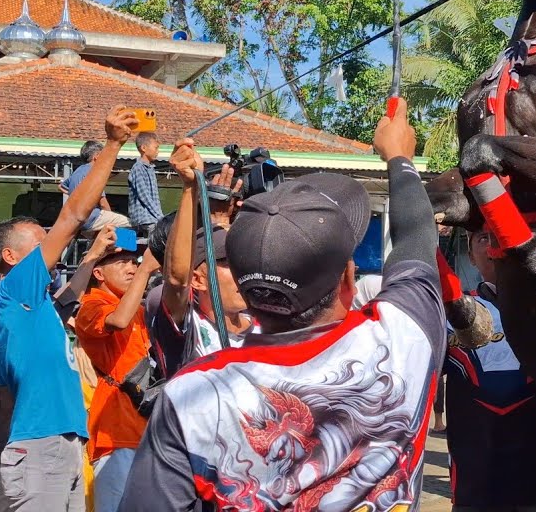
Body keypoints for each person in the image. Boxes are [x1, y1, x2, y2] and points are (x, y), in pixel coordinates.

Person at [120, 99, 444, 511]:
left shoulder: (192, 396)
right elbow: (417, 239)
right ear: (349, 279)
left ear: (241, 283)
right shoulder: (404, 335)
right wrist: (399, 158)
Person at [0, 107, 138, 512]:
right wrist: (112, 145)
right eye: (40, 241)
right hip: (41, 443)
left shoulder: (33, 306)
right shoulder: (15, 287)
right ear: (11, 257)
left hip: (61, 441)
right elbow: (72, 215)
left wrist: (92, 255)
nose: (50, 246)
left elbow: (69, 295)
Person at [443, 227, 536, 511]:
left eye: (498, 235)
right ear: (470, 257)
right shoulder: (446, 316)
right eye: (482, 238)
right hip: (474, 484)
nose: (493, 244)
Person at [148, 162, 256, 378]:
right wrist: (190, 187)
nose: (241, 272)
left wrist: (220, 221)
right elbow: (177, 280)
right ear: (197, 280)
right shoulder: (189, 327)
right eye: (227, 264)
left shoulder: (264, 322)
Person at [75, 226, 156, 512]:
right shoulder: (91, 304)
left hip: (149, 429)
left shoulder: (139, 306)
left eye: (134, 262)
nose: (132, 268)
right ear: (98, 272)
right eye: (121, 262)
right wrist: (146, 271)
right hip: (115, 429)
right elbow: (117, 321)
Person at [61, 140, 131, 234]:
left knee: (96, 239)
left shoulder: (78, 171)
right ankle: (126, 248)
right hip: (91, 217)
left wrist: (78, 195)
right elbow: (103, 203)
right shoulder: (94, 172)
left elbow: (61, 187)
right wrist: (110, 217)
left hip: (77, 221)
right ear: (97, 156)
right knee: (131, 224)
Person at [127, 132, 164, 237]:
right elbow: (145, 196)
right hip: (144, 218)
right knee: (157, 243)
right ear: (144, 148)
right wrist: (160, 217)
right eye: (156, 148)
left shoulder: (150, 168)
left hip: (152, 217)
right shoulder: (138, 168)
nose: (158, 151)